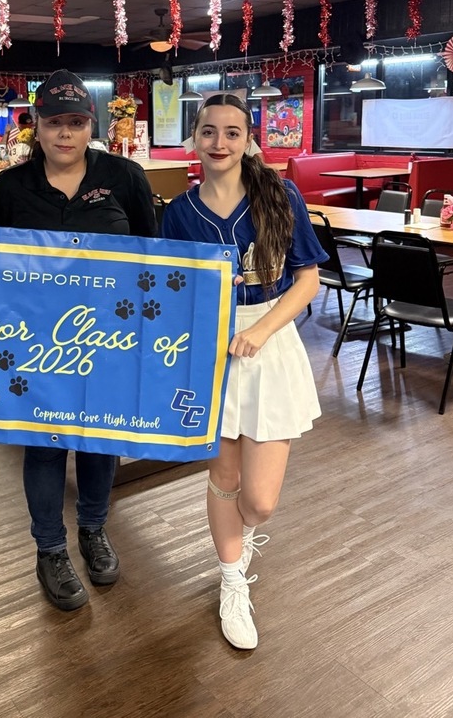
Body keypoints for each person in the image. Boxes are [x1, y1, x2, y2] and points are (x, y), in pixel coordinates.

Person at [160, 93, 326, 651]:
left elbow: (308, 281)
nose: (219, 143)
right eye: (208, 132)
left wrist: (259, 329)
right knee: (224, 477)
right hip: (209, 349)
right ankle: (232, 580)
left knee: (260, 500)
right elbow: (168, 287)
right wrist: (203, 297)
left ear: (248, 139)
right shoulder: (179, 213)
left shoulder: (280, 196)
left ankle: (242, 536)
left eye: (232, 133)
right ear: (195, 140)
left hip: (268, 342)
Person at [0, 69, 157, 611]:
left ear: (92, 127)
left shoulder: (126, 177)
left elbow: (152, 257)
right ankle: (50, 550)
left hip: (109, 336)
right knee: (43, 445)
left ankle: (92, 529)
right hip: (37, 339)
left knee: (99, 438)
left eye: (77, 122)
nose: (66, 133)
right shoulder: (11, 187)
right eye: (55, 122)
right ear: (35, 127)